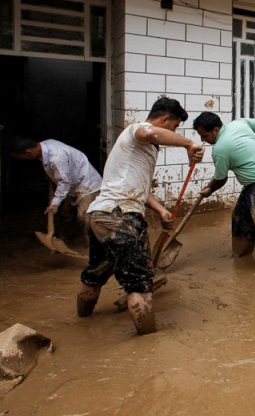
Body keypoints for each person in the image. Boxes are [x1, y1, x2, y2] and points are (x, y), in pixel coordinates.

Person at [77, 98, 203, 336]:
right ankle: (148, 345)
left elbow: (141, 191)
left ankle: (80, 325)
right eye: (175, 126)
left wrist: (161, 210)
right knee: (140, 285)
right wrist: (188, 143)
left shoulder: (137, 151)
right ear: (165, 119)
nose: (174, 132)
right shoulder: (137, 131)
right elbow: (149, 131)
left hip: (98, 216)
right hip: (121, 217)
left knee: (94, 274)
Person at [193, 110, 255, 271]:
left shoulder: (220, 149)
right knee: (240, 217)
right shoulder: (240, 123)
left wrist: (209, 190)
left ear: (215, 130)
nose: (203, 140)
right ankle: (241, 256)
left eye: (205, 136)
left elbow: (221, 179)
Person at [8, 136, 102, 241]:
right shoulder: (45, 145)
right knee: (66, 214)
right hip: (72, 185)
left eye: (22, 157)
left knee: (85, 219)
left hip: (87, 185)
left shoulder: (56, 157)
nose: (23, 160)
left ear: (29, 152)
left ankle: (93, 249)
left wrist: (55, 203)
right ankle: (63, 240)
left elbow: (64, 182)